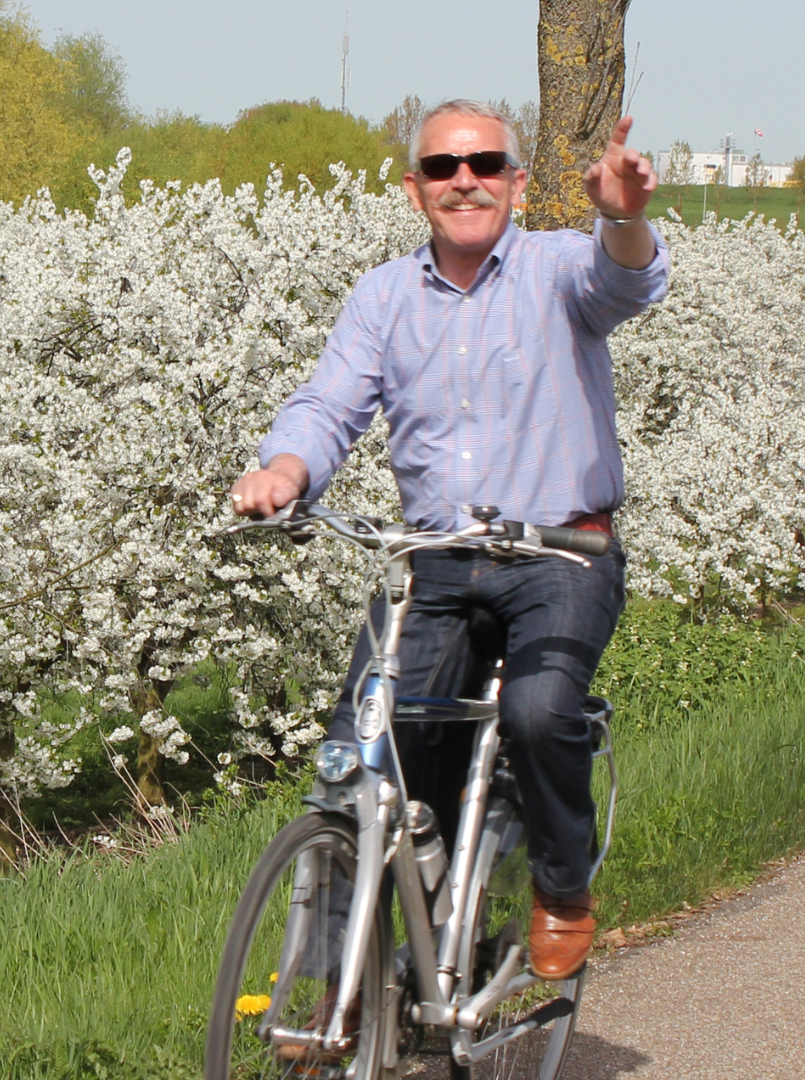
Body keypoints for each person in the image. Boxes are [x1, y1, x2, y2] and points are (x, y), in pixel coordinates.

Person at [228, 99, 666, 981]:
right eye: (441, 168)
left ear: (515, 179)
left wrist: (620, 215)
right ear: (415, 189)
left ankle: (560, 884)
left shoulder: (557, 269)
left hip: (560, 556)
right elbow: (329, 405)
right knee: (363, 762)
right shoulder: (384, 296)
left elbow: (627, 281)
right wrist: (286, 470)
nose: (464, 180)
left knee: (539, 710)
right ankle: (331, 999)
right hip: (436, 562)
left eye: (484, 162)